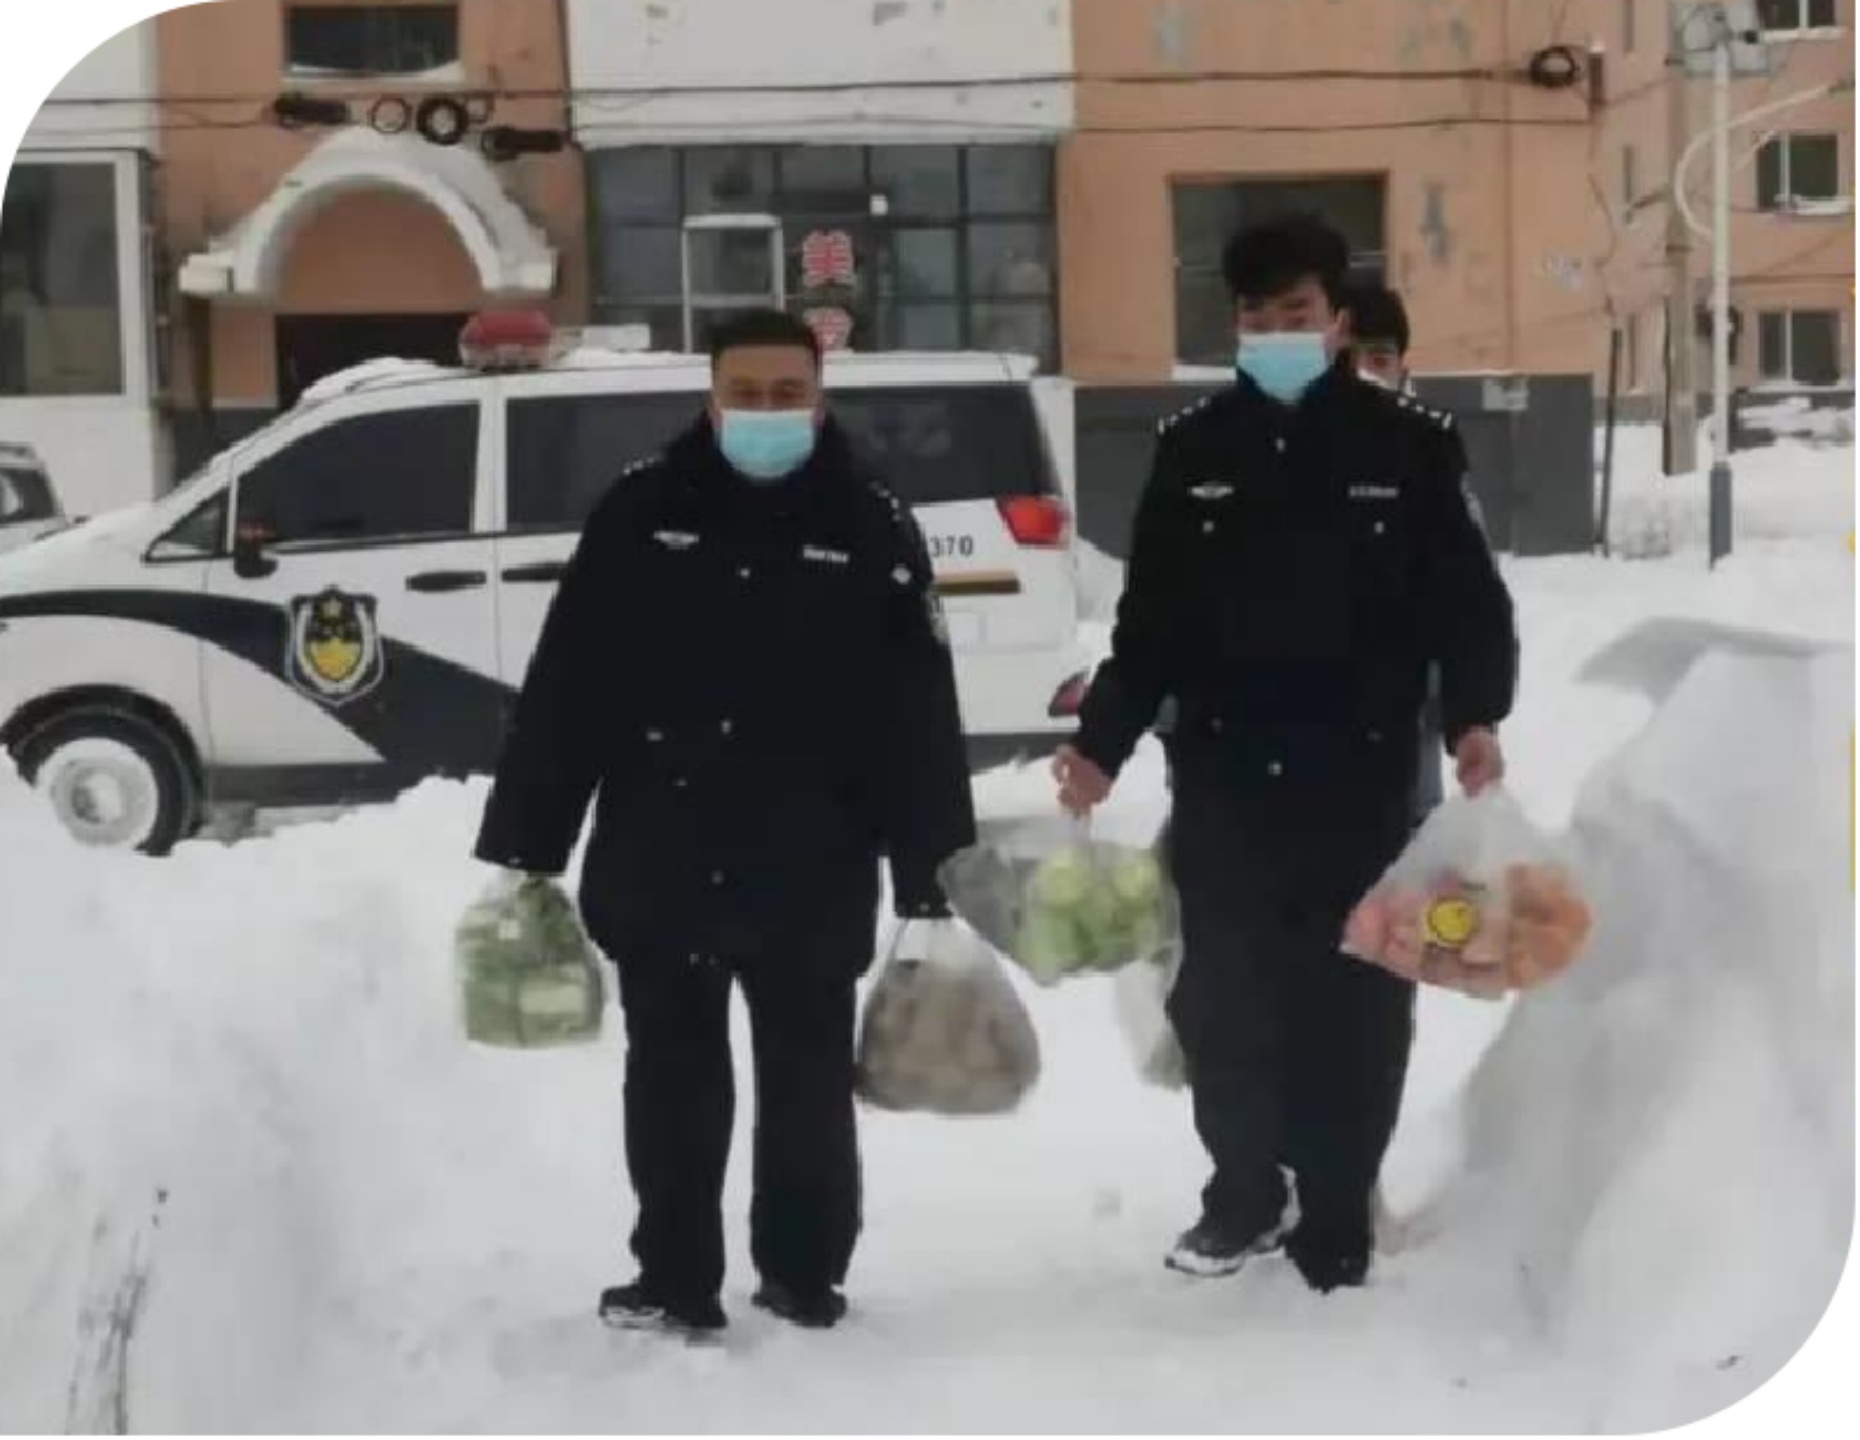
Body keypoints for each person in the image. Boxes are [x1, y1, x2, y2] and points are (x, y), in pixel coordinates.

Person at [474, 309, 976, 1337]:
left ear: (820, 395)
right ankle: (674, 1275)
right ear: (710, 395)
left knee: (805, 1083)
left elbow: (918, 711)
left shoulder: (871, 522)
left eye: (786, 394)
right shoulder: (640, 510)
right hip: (664, 848)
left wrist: (931, 869)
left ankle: (802, 1271)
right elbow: (570, 684)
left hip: (813, 859)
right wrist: (530, 840)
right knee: (670, 1081)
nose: (765, 412)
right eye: (745, 393)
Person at [1053, 215, 1517, 1293]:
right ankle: (1246, 1193)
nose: (1272, 332)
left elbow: (1465, 604)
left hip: (1363, 777)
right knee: (1222, 1001)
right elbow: (1149, 625)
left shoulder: (1407, 447)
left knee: (1356, 1003)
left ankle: (1338, 1207)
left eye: (1294, 315)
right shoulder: (1192, 449)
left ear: (1337, 321)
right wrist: (1102, 743)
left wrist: (1474, 716)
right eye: (1254, 318)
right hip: (1225, 777)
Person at [1338, 277, 1445, 822]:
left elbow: (1468, 601)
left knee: (1408, 886)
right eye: (1348, 356)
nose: (1364, 372)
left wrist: (1468, 712)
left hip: (1405, 727)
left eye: (1379, 357)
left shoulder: (1428, 462)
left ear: (1403, 369)